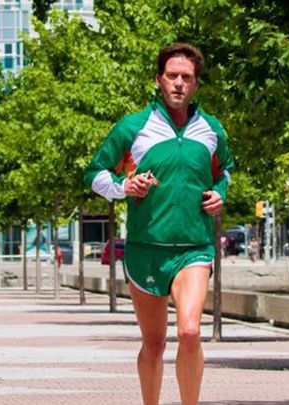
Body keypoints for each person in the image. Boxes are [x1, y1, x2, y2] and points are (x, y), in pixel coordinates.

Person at [84, 43, 234, 404]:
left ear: (196, 84)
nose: (179, 83)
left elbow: (224, 172)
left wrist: (220, 194)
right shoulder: (133, 127)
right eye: (172, 76)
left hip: (194, 249)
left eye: (187, 77)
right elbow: (94, 173)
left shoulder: (211, 130)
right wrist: (124, 186)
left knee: (189, 332)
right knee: (153, 345)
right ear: (158, 80)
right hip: (145, 251)